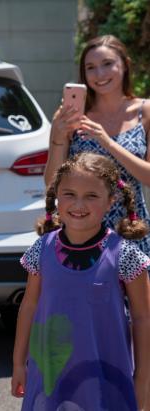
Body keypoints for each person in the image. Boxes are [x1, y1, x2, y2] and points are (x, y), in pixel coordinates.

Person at [12, 152, 150, 410]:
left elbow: (144, 318)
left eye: (92, 196)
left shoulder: (125, 255)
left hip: (107, 377)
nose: (78, 204)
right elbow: (28, 306)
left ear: (111, 201)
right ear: (56, 197)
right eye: (69, 194)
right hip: (49, 376)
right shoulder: (41, 249)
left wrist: (143, 378)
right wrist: (19, 363)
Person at [44, 34, 150, 256]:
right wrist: (59, 137)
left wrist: (107, 142)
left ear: (125, 65)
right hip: (80, 232)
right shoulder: (70, 116)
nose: (99, 74)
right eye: (90, 67)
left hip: (130, 229)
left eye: (107, 64)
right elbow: (51, 183)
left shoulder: (145, 112)